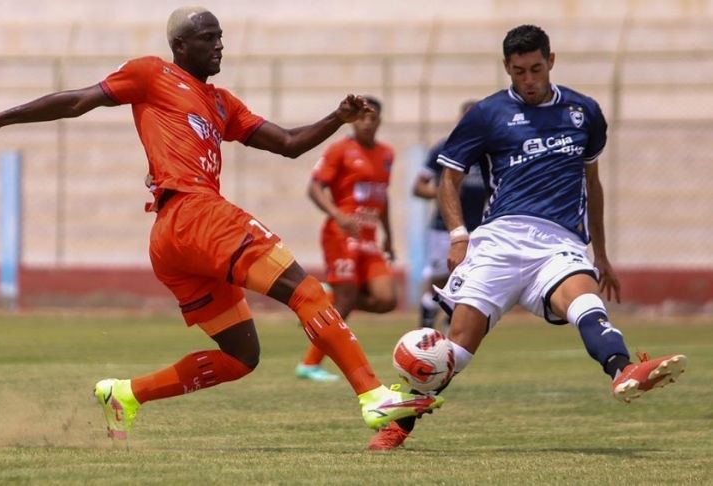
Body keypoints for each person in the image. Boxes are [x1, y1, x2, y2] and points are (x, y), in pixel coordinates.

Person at [0, 6, 444, 441]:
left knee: (240, 356)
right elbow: (77, 101)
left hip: (175, 236)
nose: (219, 45)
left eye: (221, 37)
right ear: (179, 46)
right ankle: (373, 396)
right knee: (307, 291)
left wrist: (336, 118)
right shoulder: (150, 74)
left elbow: (289, 143)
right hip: (192, 213)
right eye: (208, 38)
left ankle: (124, 394)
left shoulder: (221, 103)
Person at [368, 24, 687, 451]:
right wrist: (460, 235)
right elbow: (449, 176)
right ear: (507, 68)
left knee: (585, 302)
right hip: (500, 239)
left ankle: (623, 371)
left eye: (536, 69)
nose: (529, 80)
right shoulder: (487, 114)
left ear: (551, 61)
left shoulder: (584, 112)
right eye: (519, 72)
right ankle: (398, 427)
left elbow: (592, 183)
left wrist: (603, 255)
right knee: (457, 346)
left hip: (558, 241)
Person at [294, 96, 397, 382]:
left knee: (387, 300)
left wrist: (388, 235)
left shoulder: (387, 154)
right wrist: (338, 214)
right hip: (341, 234)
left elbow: (382, 195)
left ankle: (330, 297)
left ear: (378, 120)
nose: (366, 122)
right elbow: (314, 187)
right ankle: (309, 364)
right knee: (348, 298)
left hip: (369, 238)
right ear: (355, 120)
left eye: (371, 117)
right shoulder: (340, 150)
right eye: (361, 117)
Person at [412, 100, 488, 331]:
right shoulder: (445, 148)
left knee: (466, 283)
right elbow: (418, 187)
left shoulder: (489, 153)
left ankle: (448, 333)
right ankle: (424, 331)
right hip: (442, 228)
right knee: (438, 282)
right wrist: (446, 191)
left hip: (477, 228)